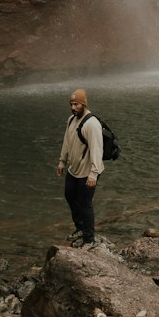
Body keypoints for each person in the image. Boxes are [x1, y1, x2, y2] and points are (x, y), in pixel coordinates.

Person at [56, 87, 103, 248]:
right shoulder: (71, 120)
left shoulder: (92, 124)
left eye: (77, 104)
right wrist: (62, 161)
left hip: (87, 172)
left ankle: (89, 240)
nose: (74, 107)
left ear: (84, 104)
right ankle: (80, 228)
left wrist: (94, 174)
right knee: (70, 196)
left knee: (85, 204)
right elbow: (67, 142)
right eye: (71, 104)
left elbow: (97, 149)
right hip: (73, 170)